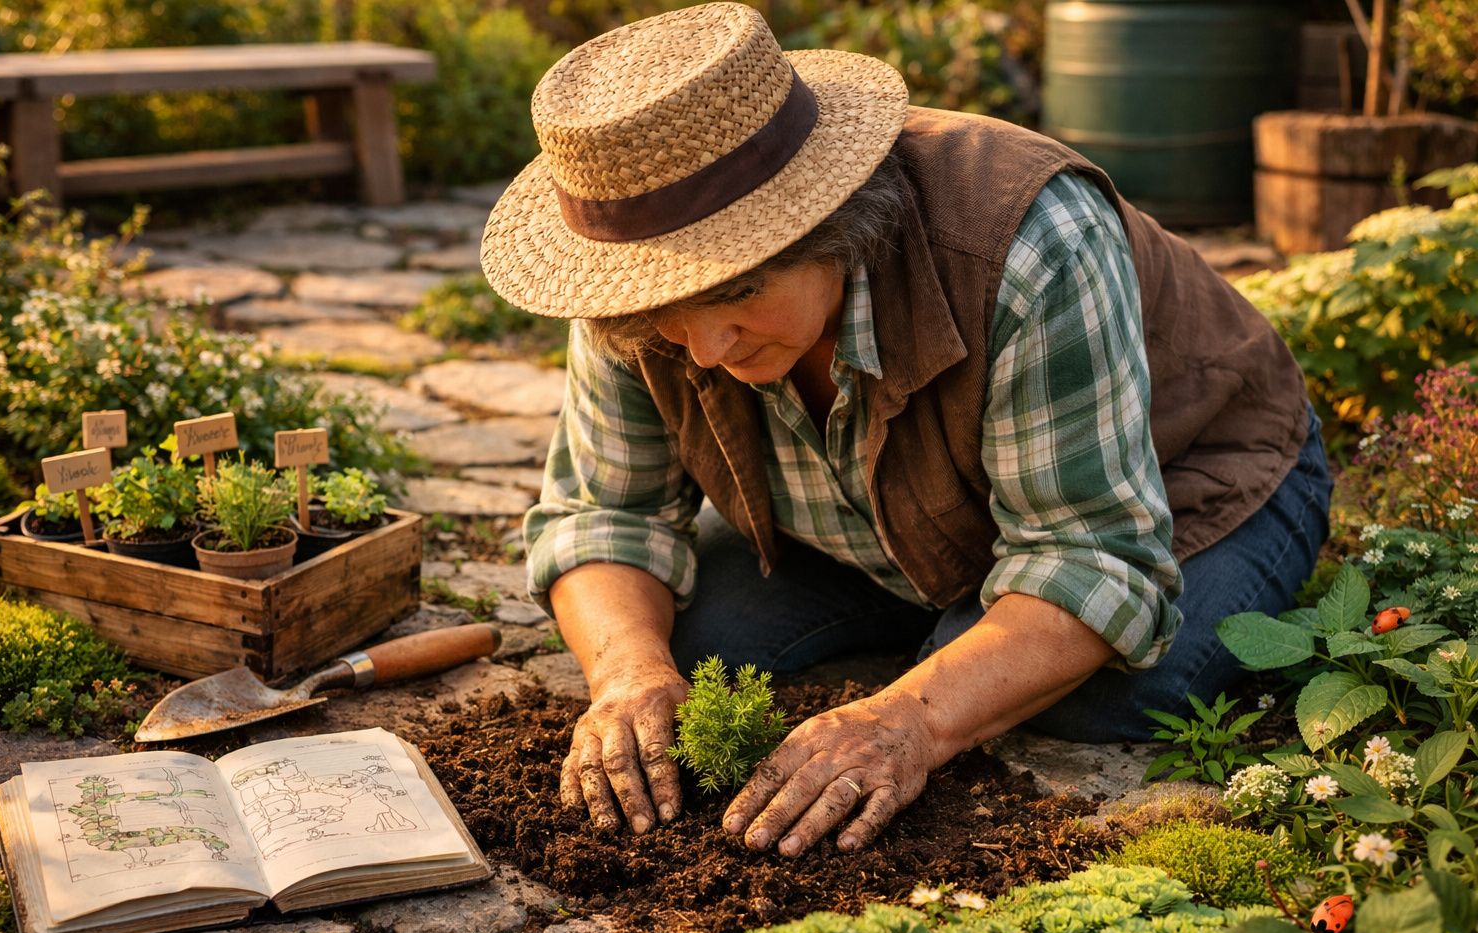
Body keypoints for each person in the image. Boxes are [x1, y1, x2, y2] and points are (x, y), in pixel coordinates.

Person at [478, 2, 1331, 858]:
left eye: (736, 294)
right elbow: (603, 515)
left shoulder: (1026, 239)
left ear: (828, 222)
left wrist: (910, 718)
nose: (702, 349)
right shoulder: (630, 283)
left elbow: (1095, 559)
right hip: (880, 517)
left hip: (1199, 480)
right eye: (667, 315)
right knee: (691, 654)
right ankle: (964, 625)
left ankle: (970, 635)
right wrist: (628, 669)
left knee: (1102, 696)